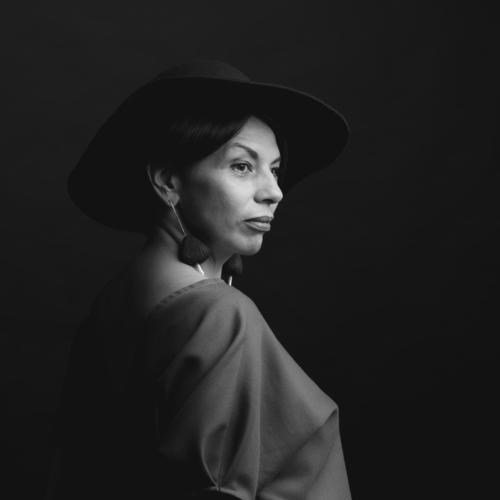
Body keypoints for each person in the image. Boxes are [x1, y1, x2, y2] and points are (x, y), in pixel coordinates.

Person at [48, 59, 352, 499]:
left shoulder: (115, 301)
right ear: (168, 182)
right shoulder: (218, 314)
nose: (274, 192)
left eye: (275, 169)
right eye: (243, 166)